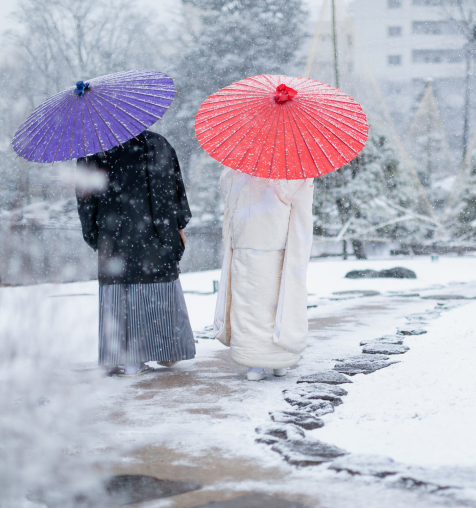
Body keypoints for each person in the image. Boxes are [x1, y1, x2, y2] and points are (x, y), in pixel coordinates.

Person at [76, 130, 195, 377]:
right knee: (155, 293)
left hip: (113, 234)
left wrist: (92, 234)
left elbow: (86, 200)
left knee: (120, 294)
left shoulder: (92, 150)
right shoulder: (158, 143)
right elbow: (175, 189)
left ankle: (124, 357)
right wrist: (178, 225)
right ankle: (162, 351)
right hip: (156, 232)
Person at [212, 168, 314, 380]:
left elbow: (226, 185)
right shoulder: (292, 166)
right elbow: (303, 199)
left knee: (248, 306)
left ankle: (254, 364)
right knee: (279, 302)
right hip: (278, 242)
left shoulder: (240, 165)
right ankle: (280, 361)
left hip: (246, 242)